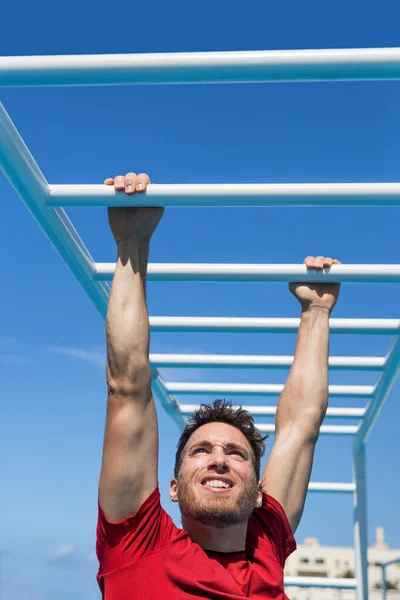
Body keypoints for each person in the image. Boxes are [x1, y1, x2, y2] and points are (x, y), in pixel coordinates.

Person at [96, 172, 341, 599]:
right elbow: (128, 384)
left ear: (259, 493)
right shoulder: (138, 543)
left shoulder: (265, 543)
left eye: (235, 454)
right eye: (201, 450)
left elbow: (302, 428)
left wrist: (316, 313)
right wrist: (131, 242)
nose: (219, 461)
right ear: (171, 487)